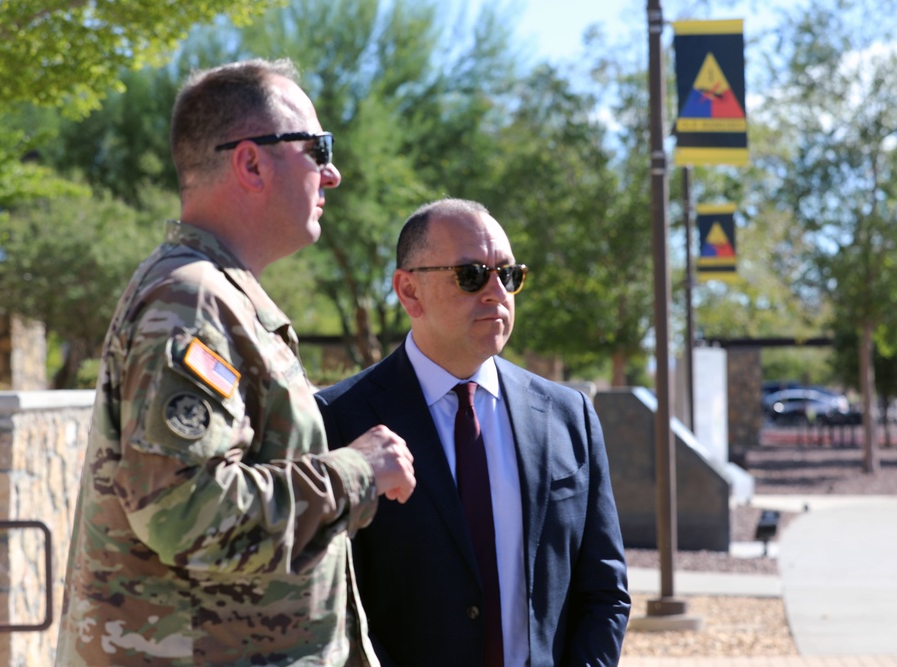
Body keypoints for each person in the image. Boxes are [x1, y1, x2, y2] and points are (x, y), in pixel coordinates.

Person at [55, 58, 416, 667]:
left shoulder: (214, 296)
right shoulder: (190, 298)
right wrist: (357, 472)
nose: (333, 174)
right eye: (317, 148)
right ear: (250, 162)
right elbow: (184, 511)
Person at [315, 198, 630, 666]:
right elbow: (328, 607)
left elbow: (604, 591)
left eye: (508, 275)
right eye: (471, 275)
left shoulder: (568, 416)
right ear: (409, 291)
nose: (495, 292)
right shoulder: (337, 419)